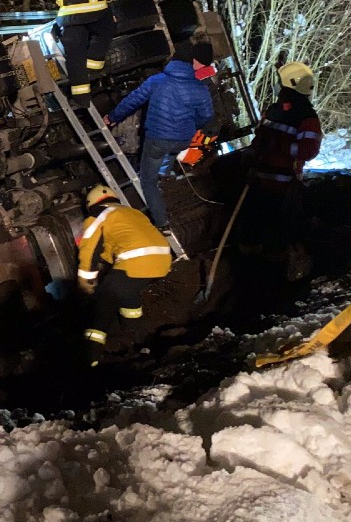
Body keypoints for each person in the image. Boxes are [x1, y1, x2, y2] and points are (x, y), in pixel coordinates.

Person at [104, 40, 215, 232]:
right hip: (181, 141)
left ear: (173, 62)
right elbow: (207, 116)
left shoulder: (157, 81)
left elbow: (133, 100)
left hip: (158, 140)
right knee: (167, 156)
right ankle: (165, 176)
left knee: (147, 181)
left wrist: (112, 118)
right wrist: (189, 127)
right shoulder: (201, 89)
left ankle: (161, 223)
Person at [235, 62, 322, 278]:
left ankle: (273, 279)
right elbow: (260, 138)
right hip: (258, 181)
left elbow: (308, 150)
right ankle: (246, 274)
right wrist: (253, 153)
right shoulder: (274, 110)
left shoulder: (307, 119)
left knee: (276, 236)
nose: (277, 87)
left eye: (280, 83)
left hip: (284, 187)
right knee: (250, 231)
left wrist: (279, 147)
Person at [76, 184, 172, 366]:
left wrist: (85, 281)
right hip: (161, 260)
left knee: (103, 303)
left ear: (91, 204)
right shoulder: (131, 212)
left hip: (136, 261)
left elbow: (89, 250)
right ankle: (144, 344)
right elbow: (115, 245)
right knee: (128, 298)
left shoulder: (97, 216)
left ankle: (91, 359)